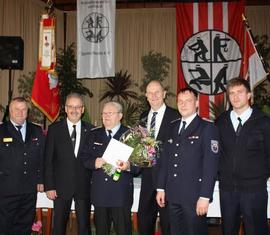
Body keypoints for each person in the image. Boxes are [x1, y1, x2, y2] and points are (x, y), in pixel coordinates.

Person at [156, 88, 220, 235]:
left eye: (188, 101)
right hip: (173, 195)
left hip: (194, 197)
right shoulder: (172, 127)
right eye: (180, 101)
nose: (183, 105)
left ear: (197, 103)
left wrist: (205, 196)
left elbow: (210, 166)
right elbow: (165, 160)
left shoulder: (207, 128)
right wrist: (161, 188)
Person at [216, 78, 270, 235]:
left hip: (254, 190)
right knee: (228, 230)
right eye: (231, 93)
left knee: (256, 230)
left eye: (240, 92)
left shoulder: (263, 122)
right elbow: (217, 153)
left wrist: (260, 177)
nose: (235, 96)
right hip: (227, 190)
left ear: (249, 95)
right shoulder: (221, 122)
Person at [80, 101, 139, 235]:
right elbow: (84, 158)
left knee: (123, 230)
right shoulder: (94, 134)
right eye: (104, 113)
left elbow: (139, 165)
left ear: (120, 116)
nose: (106, 116)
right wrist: (94, 162)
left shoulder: (131, 135)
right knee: (101, 231)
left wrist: (128, 166)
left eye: (110, 113)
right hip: (100, 193)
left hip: (121, 194)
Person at [44, 93, 93, 235]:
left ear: (83, 109)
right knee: (58, 226)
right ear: (65, 108)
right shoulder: (54, 129)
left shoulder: (91, 130)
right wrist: (50, 186)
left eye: (78, 106)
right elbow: (48, 160)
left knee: (84, 226)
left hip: (84, 188)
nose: (74, 109)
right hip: (60, 188)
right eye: (71, 106)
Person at [138, 80, 180, 235]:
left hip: (168, 179)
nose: (154, 95)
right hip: (147, 177)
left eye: (157, 92)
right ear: (146, 96)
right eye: (150, 92)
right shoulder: (143, 116)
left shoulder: (176, 116)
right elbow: (142, 147)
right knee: (144, 220)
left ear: (164, 94)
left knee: (168, 223)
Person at [0, 97, 45, 235]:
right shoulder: (1, 130)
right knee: (4, 226)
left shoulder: (37, 130)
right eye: (16, 109)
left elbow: (43, 158)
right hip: (6, 189)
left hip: (29, 190)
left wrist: (41, 179)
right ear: (10, 111)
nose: (20, 112)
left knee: (25, 226)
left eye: (23, 109)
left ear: (28, 111)